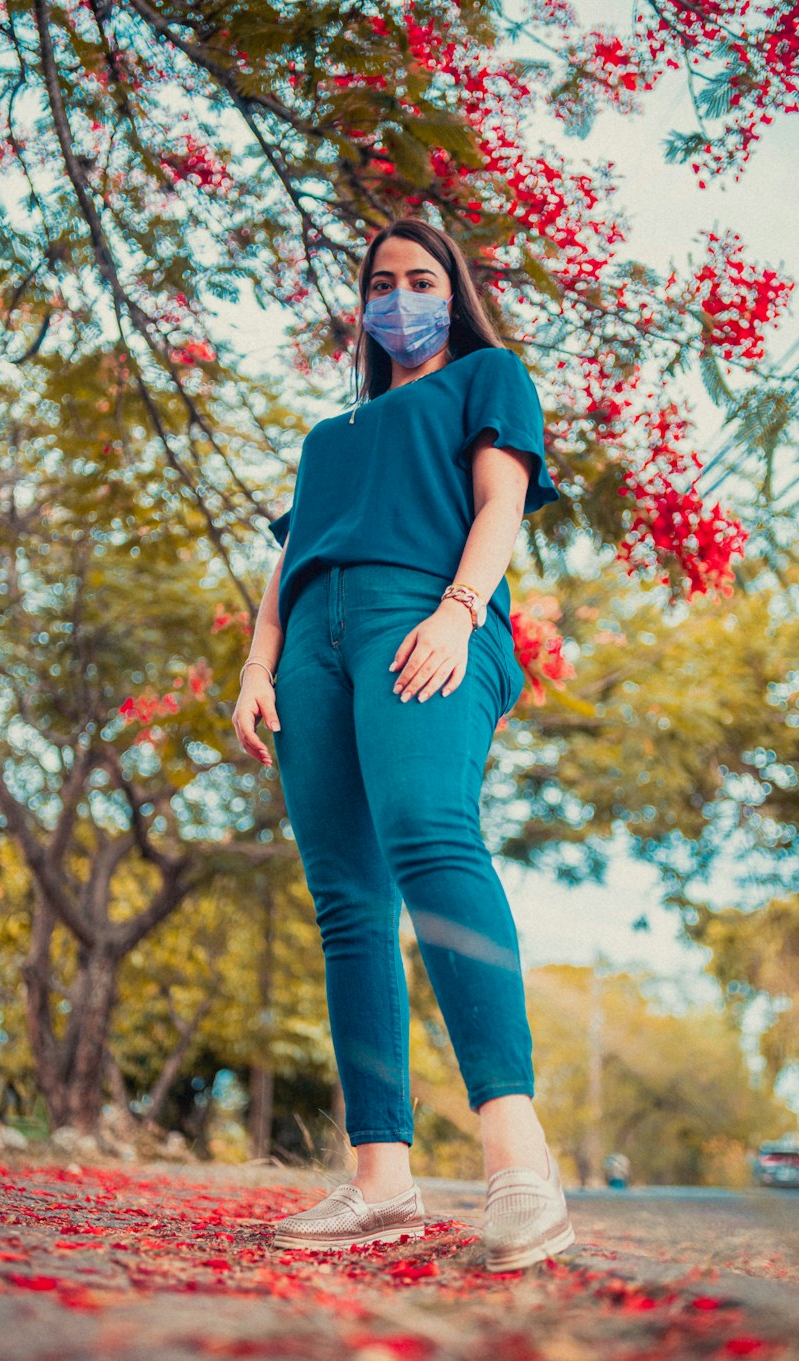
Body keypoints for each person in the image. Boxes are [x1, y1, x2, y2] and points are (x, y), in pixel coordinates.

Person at [231, 216, 575, 1273]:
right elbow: (289, 567)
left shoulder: (488, 377)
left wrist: (461, 611)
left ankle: (519, 1163)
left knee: (431, 834)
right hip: (310, 650)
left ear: (453, 291)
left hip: (422, 613)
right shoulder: (328, 438)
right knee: (346, 901)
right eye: (381, 281)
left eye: (421, 278)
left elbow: (500, 501)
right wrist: (255, 670)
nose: (400, 295)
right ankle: (380, 1177)